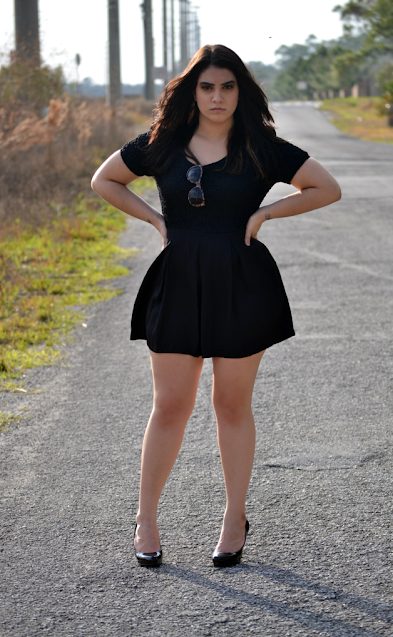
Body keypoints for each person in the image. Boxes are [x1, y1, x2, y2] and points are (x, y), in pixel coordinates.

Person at [91, 44, 341, 568]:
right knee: (170, 405)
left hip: (242, 283)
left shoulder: (262, 147)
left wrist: (266, 214)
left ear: (240, 92)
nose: (217, 97)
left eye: (228, 86)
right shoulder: (161, 144)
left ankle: (234, 517)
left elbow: (326, 188)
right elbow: (104, 179)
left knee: (230, 404)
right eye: (207, 87)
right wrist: (155, 219)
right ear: (192, 92)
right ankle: (146, 518)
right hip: (178, 279)